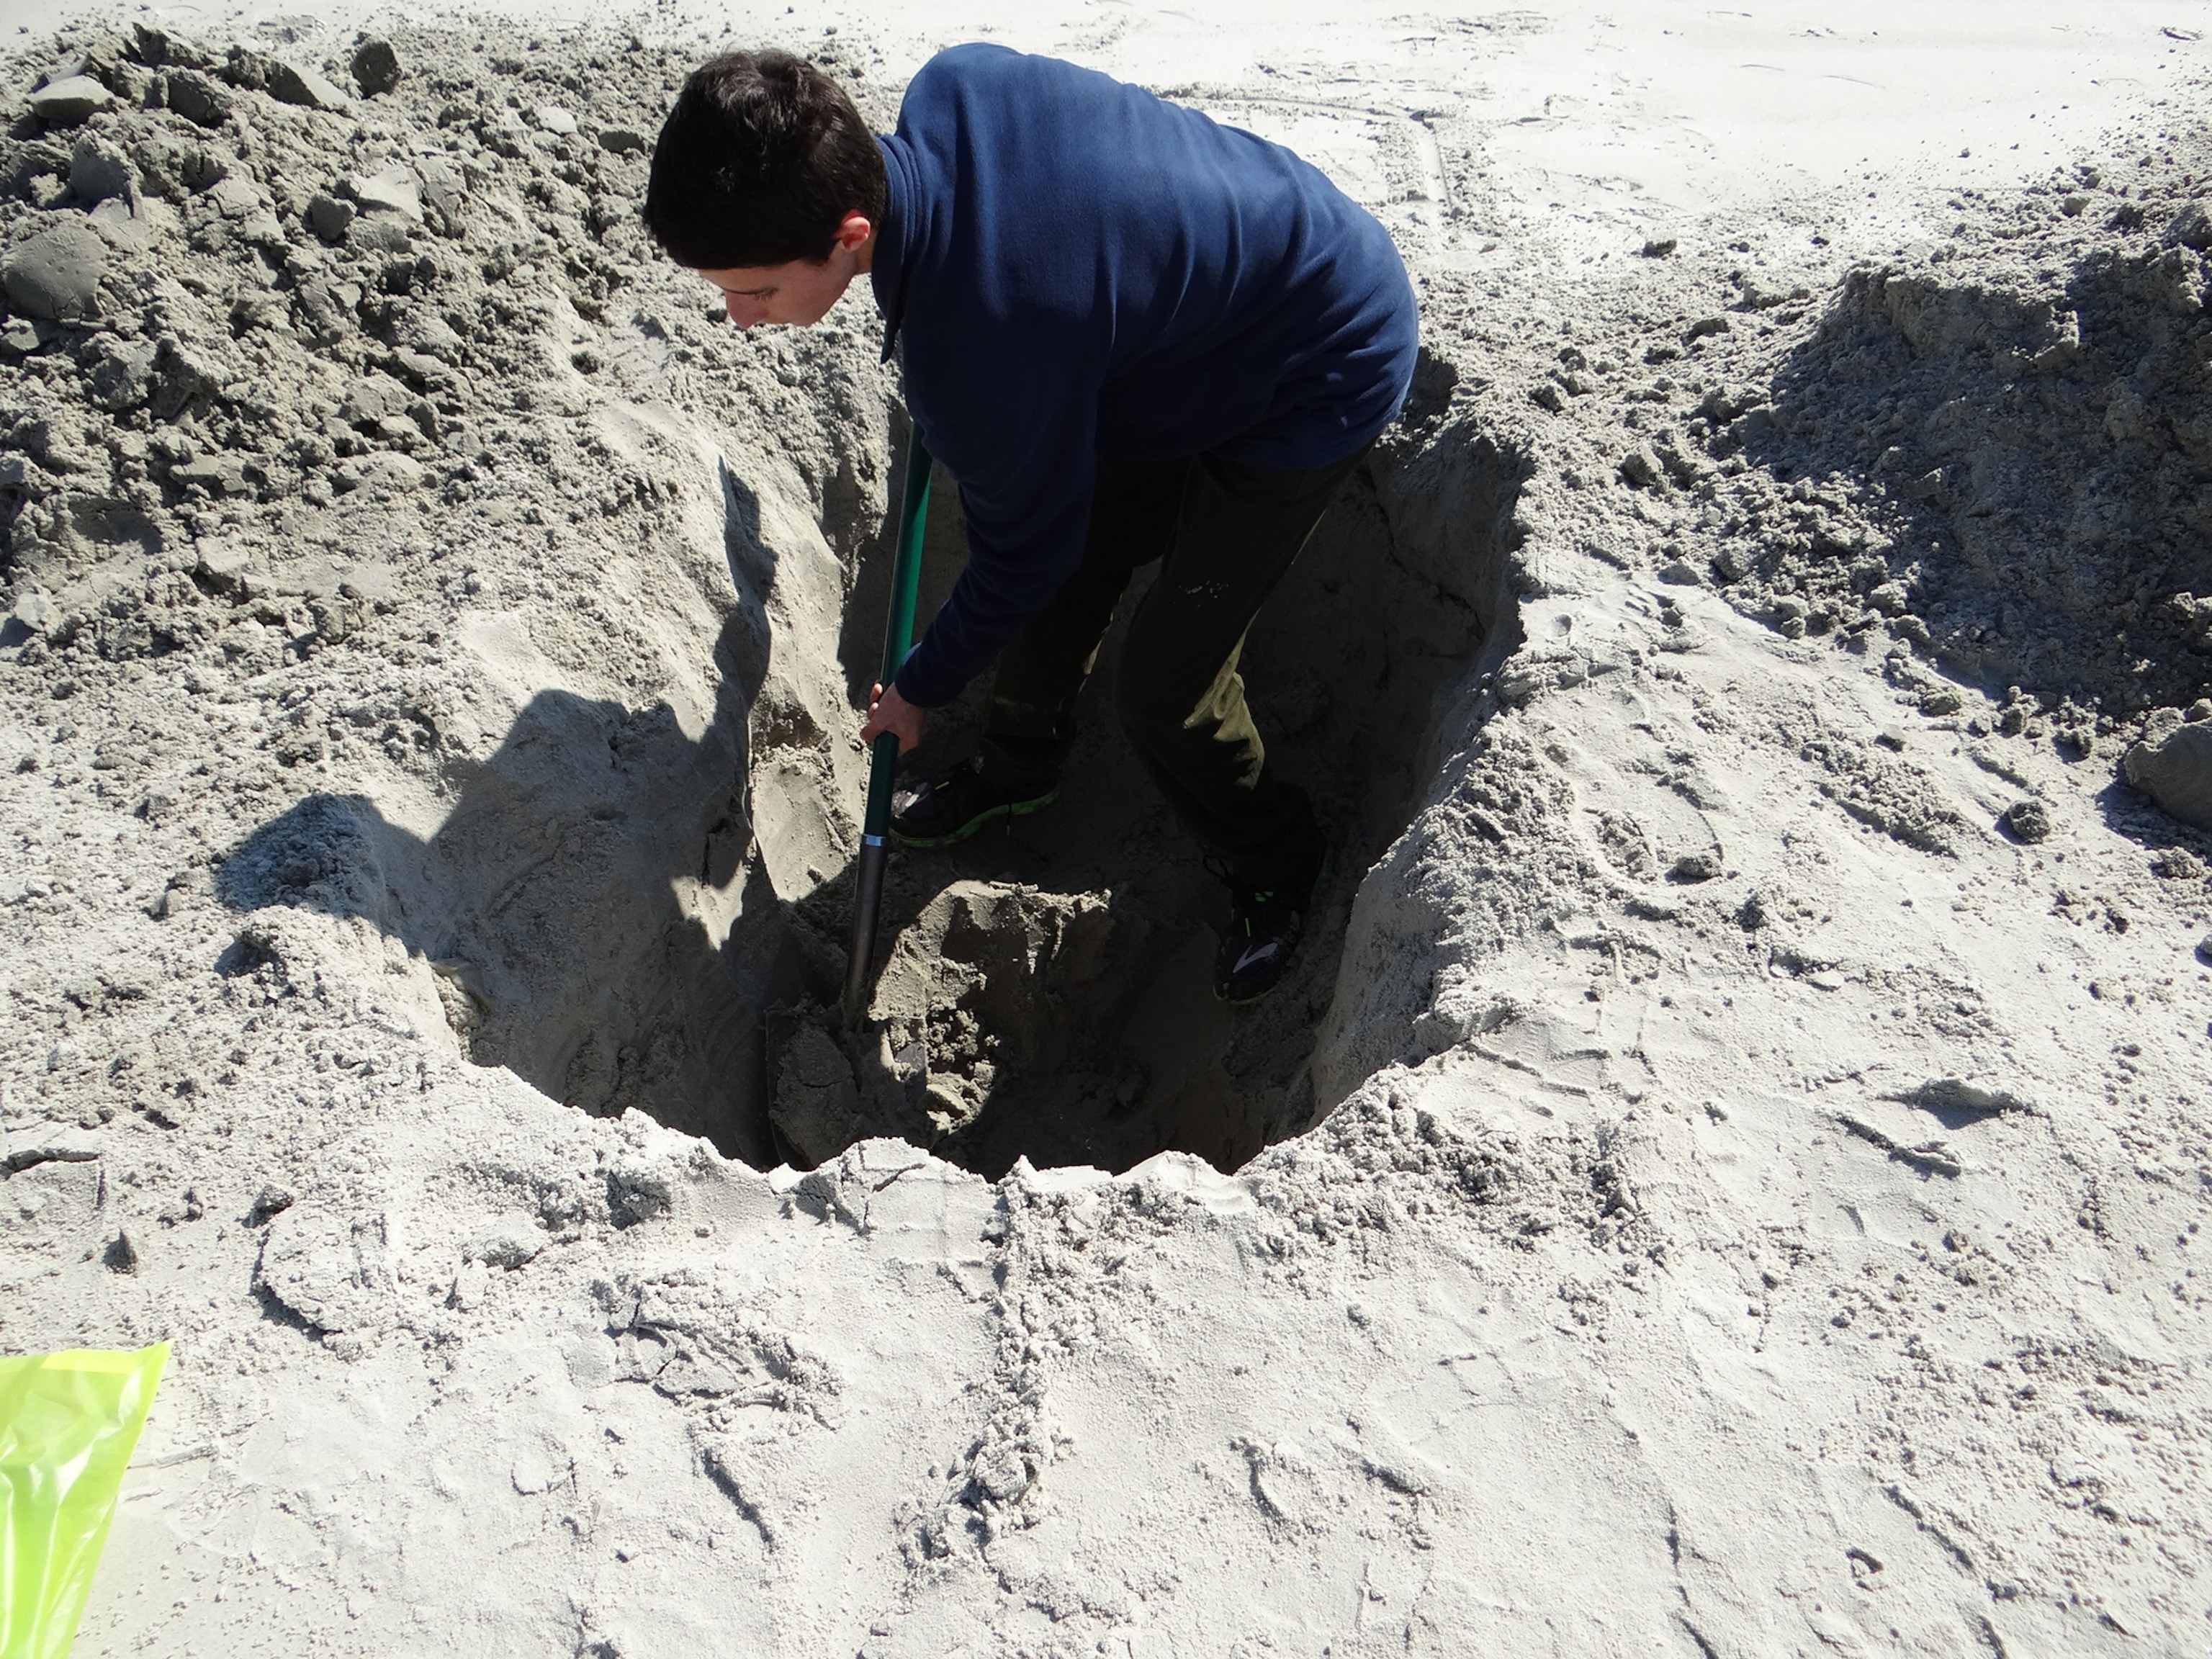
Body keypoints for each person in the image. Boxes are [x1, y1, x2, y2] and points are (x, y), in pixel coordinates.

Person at [644, 45, 1418, 1004]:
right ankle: (1017, 770)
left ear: (849, 233)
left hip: (1319, 360)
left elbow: (1024, 553)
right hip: (1178, 330)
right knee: (1083, 537)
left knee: (1166, 686)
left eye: (754, 290)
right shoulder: (953, 89)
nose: (738, 317)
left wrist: (919, 686)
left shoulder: (982, 342)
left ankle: (1278, 864)